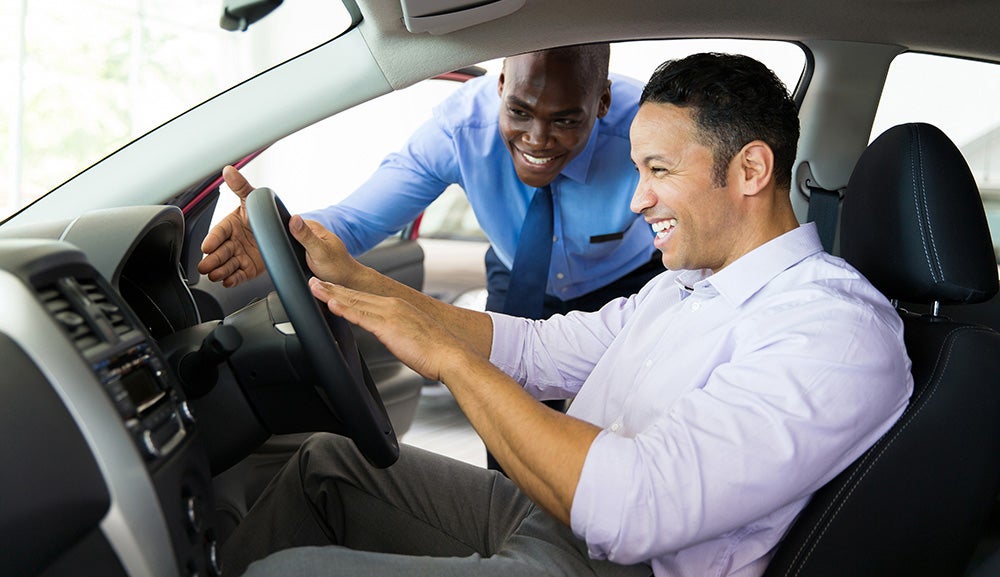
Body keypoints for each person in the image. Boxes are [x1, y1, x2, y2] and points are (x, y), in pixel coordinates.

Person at [219, 53, 913, 577]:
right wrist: (358, 280)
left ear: (753, 170)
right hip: (555, 519)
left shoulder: (835, 332)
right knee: (326, 465)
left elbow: (634, 510)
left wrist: (448, 358)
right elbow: (538, 348)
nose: (637, 201)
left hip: (617, 565)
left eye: (659, 171)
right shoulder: (690, 285)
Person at [198, 43, 661, 320]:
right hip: (518, 273)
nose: (537, 140)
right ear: (500, 85)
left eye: (564, 120)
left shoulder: (648, 132)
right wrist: (281, 234)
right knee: (507, 428)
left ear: (601, 102)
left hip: (628, 281)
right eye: (519, 111)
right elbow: (358, 222)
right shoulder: (458, 130)